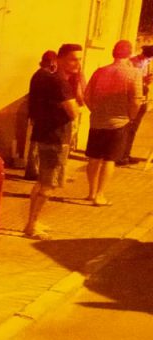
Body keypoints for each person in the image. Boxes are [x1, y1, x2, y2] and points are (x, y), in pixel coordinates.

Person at [25, 43, 82, 239]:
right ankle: (31, 226)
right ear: (60, 59)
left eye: (79, 59)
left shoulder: (46, 78)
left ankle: (33, 222)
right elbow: (74, 112)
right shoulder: (60, 83)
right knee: (47, 186)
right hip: (55, 139)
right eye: (73, 59)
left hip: (46, 135)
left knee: (42, 183)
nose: (77, 64)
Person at [84, 39, 143, 206]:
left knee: (94, 158)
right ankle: (100, 195)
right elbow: (136, 101)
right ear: (130, 54)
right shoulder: (134, 74)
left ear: (113, 52)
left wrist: (96, 110)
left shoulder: (100, 71)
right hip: (119, 122)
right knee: (109, 159)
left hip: (97, 121)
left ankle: (91, 192)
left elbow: (87, 96)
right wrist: (131, 117)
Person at [24, 50, 59, 181]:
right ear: (51, 62)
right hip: (43, 115)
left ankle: (31, 169)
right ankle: (33, 170)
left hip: (36, 113)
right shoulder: (46, 76)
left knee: (35, 142)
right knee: (38, 143)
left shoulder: (37, 75)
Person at [118, 44, 153, 165]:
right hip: (133, 100)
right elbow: (129, 80)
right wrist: (143, 80)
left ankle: (126, 154)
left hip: (142, 98)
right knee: (127, 128)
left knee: (133, 130)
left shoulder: (147, 63)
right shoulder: (132, 62)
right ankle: (120, 155)